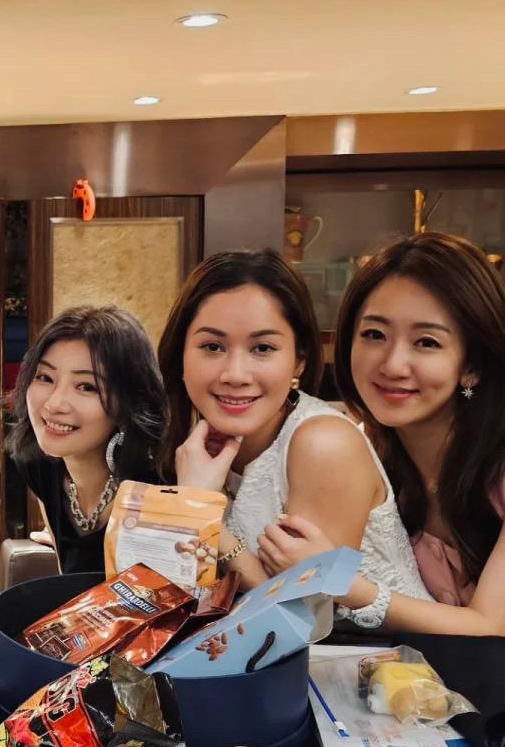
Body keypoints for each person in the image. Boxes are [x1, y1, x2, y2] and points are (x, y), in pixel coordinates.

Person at [255, 233, 505, 635]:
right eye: (374, 335)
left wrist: (338, 581)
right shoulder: (359, 454)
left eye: (426, 342)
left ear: (471, 366)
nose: (392, 364)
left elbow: (489, 626)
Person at [157, 249, 429, 603]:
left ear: (299, 360)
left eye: (262, 348)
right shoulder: (195, 443)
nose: (235, 374)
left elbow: (301, 610)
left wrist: (200, 510)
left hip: (386, 640)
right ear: (180, 354)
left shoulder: (323, 443)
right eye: (212, 346)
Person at [7, 305, 165, 573]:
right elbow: (66, 580)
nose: (54, 404)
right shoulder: (40, 467)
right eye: (45, 377)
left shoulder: (159, 487)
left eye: (86, 387)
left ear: (127, 403)